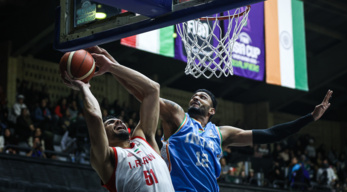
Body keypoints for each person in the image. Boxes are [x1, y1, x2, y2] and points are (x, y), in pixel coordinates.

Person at [88, 46, 333, 192]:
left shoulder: (222, 133)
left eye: (202, 97)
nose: (196, 98)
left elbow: (270, 135)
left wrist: (309, 118)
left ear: (212, 110)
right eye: (194, 95)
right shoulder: (177, 118)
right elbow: (143, 94)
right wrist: (113, 65)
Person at [61, 53, 174, 192]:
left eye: (118, 120)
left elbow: (153, 89)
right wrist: (84, 87)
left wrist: (112, 67)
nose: (118, 121)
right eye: (110, 122)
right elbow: (95, 117)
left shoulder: (144, 139)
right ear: (104, 135)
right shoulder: (106, 158)